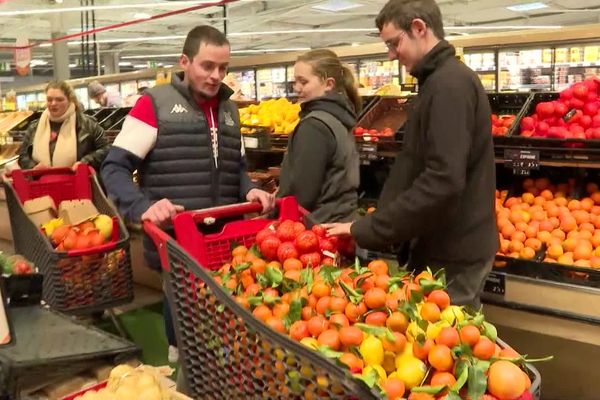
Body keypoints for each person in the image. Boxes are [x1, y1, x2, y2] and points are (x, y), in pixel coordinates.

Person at [100, 25, 274, 375]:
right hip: (177, 243)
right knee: (186, 336)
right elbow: (114, 168)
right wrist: (142, 207)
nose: (216, 76)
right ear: (185, 61)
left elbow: (235, 167)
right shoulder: (154, 105)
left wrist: (249, 189)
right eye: (207, 66)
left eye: (223, 68)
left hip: (226, 244)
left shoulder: (230, 110)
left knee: (228, 332)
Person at [326, 0, 497, 308]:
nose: (392, 54)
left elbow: (442, 180)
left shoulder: (449, 85)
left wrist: (370, 229)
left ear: (419, 28)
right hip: (444, 244)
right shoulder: (438, 81)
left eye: (394, 43)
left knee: (448, 343)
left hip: (452, 251)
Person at [277, 49, 360, 224]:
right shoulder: (340, 118)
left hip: (316, 230)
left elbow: (302, 193)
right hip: (340, 223)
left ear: (328, 84)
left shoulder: (314, 126)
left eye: (303, 82)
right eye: (295, 81)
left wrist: (272, 218)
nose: (296, 88)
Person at [17, 80, 109, 171]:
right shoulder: (34, 127)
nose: (53, 103)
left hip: (77, 181)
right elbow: (23, 156)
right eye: (49, 99)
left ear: (70, 100)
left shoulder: (88, 124)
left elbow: (106, 149)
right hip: (41, 182)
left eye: (59, 99)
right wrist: (33, 167)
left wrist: (85, 162)